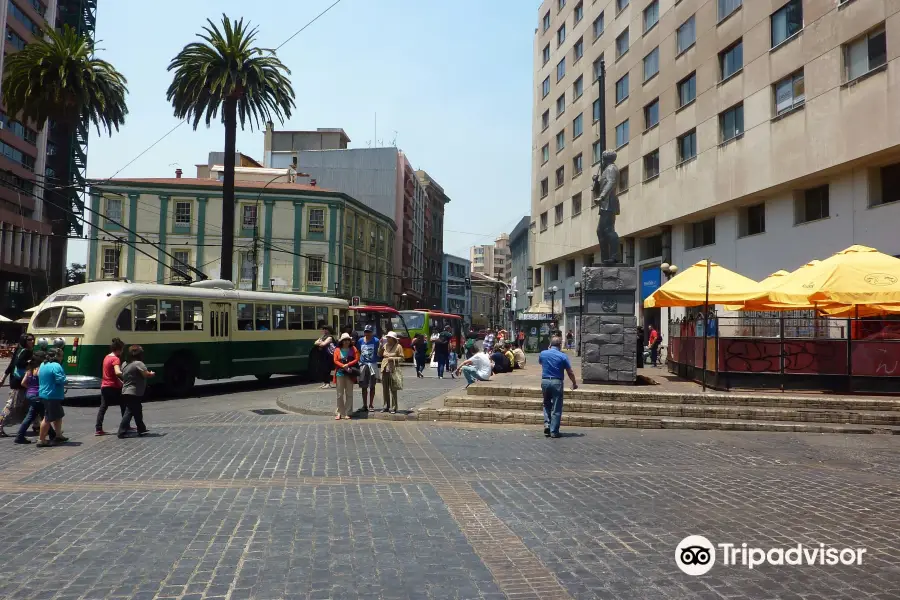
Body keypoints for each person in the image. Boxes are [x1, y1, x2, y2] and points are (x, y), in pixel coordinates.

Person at [539, 336, 578, 439]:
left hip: (545, 381)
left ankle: (547, 424)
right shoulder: (563, 356)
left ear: (550, 344)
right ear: (560, 345)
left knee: (546, 403)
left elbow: (541, 362)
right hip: (557, 382)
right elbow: (570, 372)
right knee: (556, 407)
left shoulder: (543, 353)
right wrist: (574, 383)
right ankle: (554, 431)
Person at [14, 351, 55, 444]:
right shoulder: (40, 369)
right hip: (39, 395)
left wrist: (30, 388)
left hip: (30, 394)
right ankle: (20, 436)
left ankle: (52, 434)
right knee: (44, 416)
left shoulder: (29, 370)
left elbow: (23, 383)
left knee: (35, 415)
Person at [0, 333, 35, 437]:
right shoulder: (27, 352)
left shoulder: (19, 349)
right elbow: (19, 364)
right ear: (24, 340)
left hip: (16, 380)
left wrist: (4, 377)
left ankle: (37, 425)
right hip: (21, 382)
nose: (32, 341)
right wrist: (31, 362)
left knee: (31, 403)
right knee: (12, 405)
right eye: (29, 339)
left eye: (33, 339)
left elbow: (11, 365)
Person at [117, 345, 154, 438]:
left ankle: (141, 428)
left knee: (137, 410)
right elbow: (146, 374)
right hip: (134, 391)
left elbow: (121, 374)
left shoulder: (124, 363)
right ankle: (121, 431)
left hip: (125, 390)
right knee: (130, 411)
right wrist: (152, 373)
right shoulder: (139, 364)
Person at [37, 348, 69, 447]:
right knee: (47, 418)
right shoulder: (56, 366)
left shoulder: (43, 364)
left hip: (44, 393)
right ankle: (41, 440)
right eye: (61, 356)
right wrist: (65, 380)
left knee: (59, 414)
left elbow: (38, 374)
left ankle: (58, 435)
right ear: (57, 356)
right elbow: (60, 379)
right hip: (52, 395)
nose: (62, 358)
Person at [96, 338, 126, 436]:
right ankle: (125, 425)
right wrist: (124, 378)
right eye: (122, 350)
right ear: (119, 349)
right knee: (124, 404)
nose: (122, 352)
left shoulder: (106, 357)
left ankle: (98, 428)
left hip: (104, 385)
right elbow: (117, 372)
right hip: (114, 386)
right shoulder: (115, 359)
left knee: (103, 407)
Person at [333, 333, 359, 420]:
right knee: (339, 394)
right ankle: (340, 412)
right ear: (342, 341)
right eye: (345, 340)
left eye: (348, 340)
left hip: (349, 373)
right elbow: (335, 360)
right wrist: (342, 365)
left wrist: (348, 364)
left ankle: (348, 412)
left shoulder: (353, 348)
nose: (347, 342)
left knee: (349, 393)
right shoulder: (337, 349)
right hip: (340, 373)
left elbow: (356, 358)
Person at [378, 331, 405, 414]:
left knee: (393, 389)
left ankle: (394, 407)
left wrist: (392, 358)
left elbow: (402, 358)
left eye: (389, 337)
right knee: (385, 389)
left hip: (393, 369)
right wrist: (380, 346)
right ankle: (386, 406)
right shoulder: (385, 345)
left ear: (393, 338)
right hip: (384, 369)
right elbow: (379, 354)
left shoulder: (398, 346)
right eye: (387, 337)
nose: (387, 339)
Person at [356, 325, 380, 410]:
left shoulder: (376, 341)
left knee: (372, 386)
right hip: (363, 365)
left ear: (372, 332)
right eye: (366, 332)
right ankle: (364, 405)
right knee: (363, 386)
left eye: (369, 332)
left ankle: (371, 404)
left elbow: (378, 351)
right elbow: (358, 351)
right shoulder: (360, 340)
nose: (367, 334)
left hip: (372, 365)